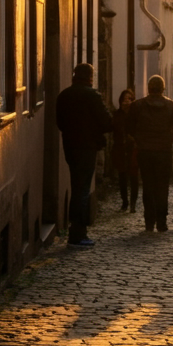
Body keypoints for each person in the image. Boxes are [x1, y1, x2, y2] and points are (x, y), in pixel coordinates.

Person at [55, 64, 112, 247]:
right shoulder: (92, 96)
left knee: (76, 186)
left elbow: (60, 122)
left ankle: (76, 230)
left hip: (70, 146)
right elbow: (106, 123)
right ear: (89, 77)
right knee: (83, 190)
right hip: (87, 147)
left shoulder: (64, 95)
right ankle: (78, 233)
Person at [128, 75, 173, 231]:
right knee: (162, 186)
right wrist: (171, 138)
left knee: (148, 185)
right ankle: (161, 221)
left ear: (149, 87)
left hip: (145, 150)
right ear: (163, 88)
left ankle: (149, 221)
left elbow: (129, 126)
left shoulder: (138, 105)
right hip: (163, 151)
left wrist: (139, 138)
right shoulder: (170, 106)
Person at [112, 89, 140, 212]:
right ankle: (125, 202)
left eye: (129, 99)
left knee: (134, 176)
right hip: (120, 148)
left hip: (133, 148)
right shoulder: (117, 114)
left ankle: (133, 203)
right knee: (122, 176)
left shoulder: (136, 116)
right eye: (125, 99)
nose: (127, 102)